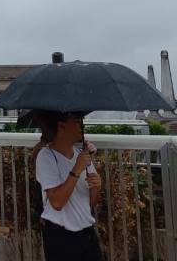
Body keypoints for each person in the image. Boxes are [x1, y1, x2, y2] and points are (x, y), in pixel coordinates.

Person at [33, 111, 104, 261]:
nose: (82, 125)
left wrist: (96, 186)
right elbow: (57, 202)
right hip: (61, 236)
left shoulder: (82, 155)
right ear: (61, 126)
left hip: (86, 233)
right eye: (77, 121)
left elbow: (90, 204)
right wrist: (77, 169)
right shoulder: (46, 156)